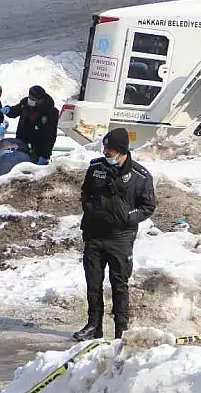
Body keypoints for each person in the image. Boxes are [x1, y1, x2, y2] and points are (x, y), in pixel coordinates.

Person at [74, 128, 157, 342]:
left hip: (120, 238)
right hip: (94, 234)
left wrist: (127, 218)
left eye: (109, 149)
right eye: (105, 148)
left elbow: (148, 206)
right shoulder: (96, 168)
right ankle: (94, 325)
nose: (105, 152)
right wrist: (90, 207)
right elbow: (85, 192)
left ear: (121, 151)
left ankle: (121, 330)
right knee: (93, 283)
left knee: (119, 284)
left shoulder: (140, 176)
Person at [5, 85, 60, 165]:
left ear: (41, 100)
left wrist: (45, 155)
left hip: (39, 148)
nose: (30, 100)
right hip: (22, 143)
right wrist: (8, 110)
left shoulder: (51, 112)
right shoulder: (25, 103)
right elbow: (15, 111)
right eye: (29, 98)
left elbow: (52, 136)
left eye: (33, 99)